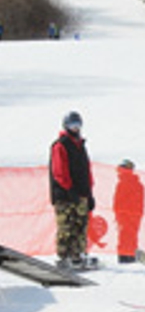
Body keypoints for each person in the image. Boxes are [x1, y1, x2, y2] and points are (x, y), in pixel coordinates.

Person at [49, 111, 96, 270]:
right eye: (72, 125)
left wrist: (89, 194)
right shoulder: (60, 145)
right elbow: (59, 172)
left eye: (78, 125)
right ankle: (63, 257)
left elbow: (86, 170)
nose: (75, 129)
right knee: (66, 226)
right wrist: (70, 191)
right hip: (65, 194)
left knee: (80, 225)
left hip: (81, 193)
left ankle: (77, 256)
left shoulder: (81, 145)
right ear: (66, 126)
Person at [113, 159, 145, 263]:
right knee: (131, 235)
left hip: (125, 214)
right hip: (134, 215)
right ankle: (130, 256)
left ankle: (124, 257)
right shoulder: (138, 184)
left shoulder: (122, 183)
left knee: (124, 235)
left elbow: (117, 201)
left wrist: (117, 213)